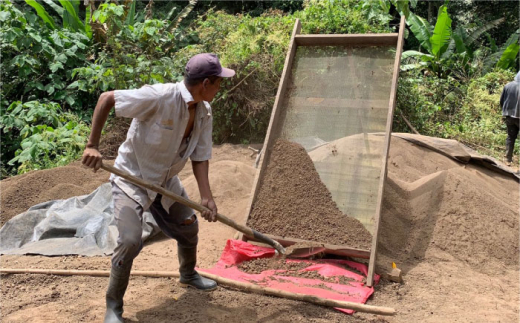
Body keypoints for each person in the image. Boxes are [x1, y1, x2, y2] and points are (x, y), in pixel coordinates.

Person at [81, 53, 235, 323]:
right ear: (206, 83)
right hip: (132, 179)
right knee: (130, 240)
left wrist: (207, 197)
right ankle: (113, 306)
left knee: (189, 226)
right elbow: (107, 99)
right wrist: (92, 145)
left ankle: (188, 274)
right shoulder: (160, 97)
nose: (220, 87)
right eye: (219, 82)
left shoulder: (204, 112)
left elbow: (200, 156)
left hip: (165, 182)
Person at [500, 71, 520, 166]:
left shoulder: (508, 85)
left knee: (510, 137)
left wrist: (505, 112)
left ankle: (508, 159)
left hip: (509, 116)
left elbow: (502, 100)